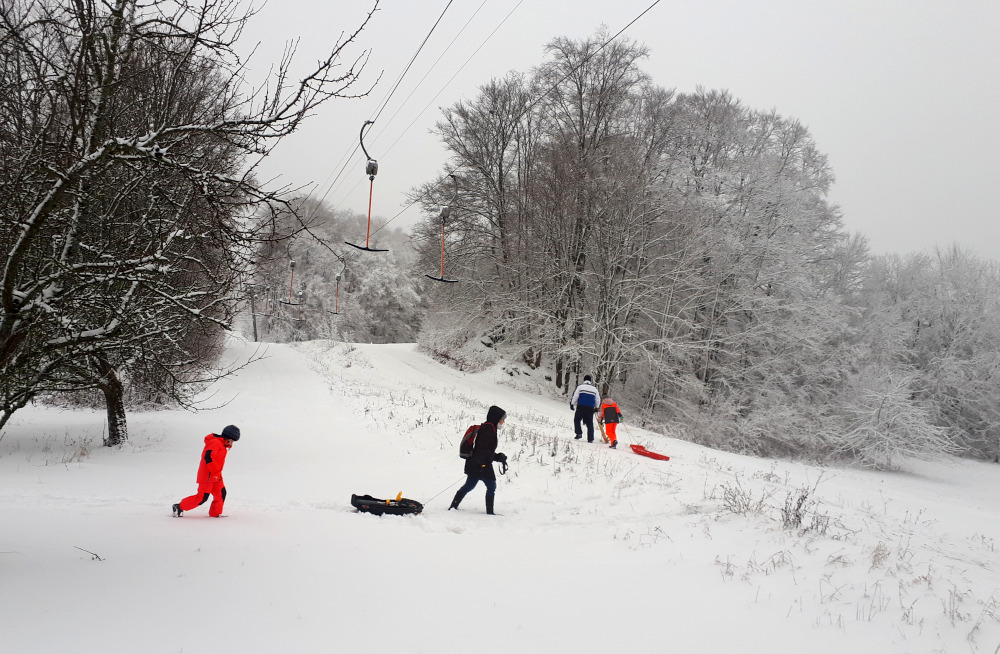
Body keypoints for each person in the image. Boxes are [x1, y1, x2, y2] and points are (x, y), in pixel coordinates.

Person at [449, 406, 507, 515]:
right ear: (496, 418)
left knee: (469, 485)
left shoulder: (490, 428)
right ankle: (490, 513)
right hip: (481, 465)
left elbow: (486, 450)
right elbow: (481, 449)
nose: (503, 422)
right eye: (502, 419)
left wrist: (498, 457)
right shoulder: (488, 429)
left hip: (476, 463)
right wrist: (482, 464)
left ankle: (453, 506)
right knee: (491, 486)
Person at [172, 425, 240, 517]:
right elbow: (208, 457)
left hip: (216, 475)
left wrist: (217, 473)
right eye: (232, 440)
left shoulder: (223, 445)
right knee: (202, 498)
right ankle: (179, 506)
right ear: (227, 437)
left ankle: (215, 514)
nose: (232, 443)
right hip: (207, 476)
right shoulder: (215, 442)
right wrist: (215, 471)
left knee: (221, 493)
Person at [570, 375, 601, 442]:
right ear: (590, 381)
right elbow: (597, 399)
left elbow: (575, 396)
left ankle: (579, 433)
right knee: (589, 423)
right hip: (590, 408)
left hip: (581, 406)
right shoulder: (594, 389)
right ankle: (590, 438)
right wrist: (596, 407)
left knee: (577, 420)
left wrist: (572, 404)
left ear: (584, 380)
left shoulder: (580, 387)